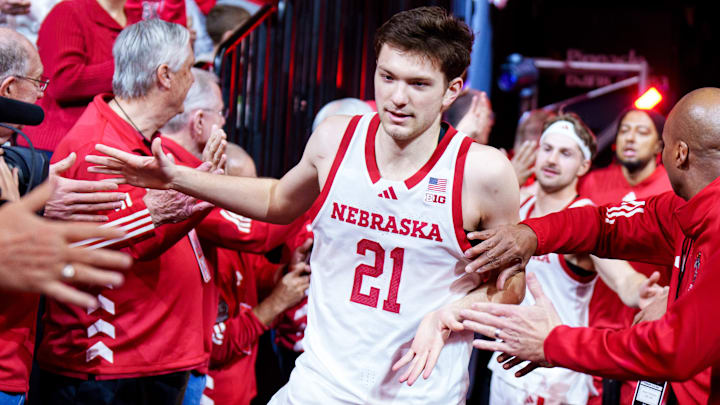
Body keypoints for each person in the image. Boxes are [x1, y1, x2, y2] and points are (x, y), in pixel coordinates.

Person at [88, 6, 526, 403]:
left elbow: (512, 284)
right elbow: (278, 200)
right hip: (319, 385)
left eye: (418, 85)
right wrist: (182, 178)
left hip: (419, 394)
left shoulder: (484, 173)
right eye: (387, 77)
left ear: (453, 90)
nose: (396, 97)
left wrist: (454, 312)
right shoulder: (337, 136)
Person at [460, 87, 720, 404]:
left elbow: (671, 342)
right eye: (547, 148)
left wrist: (555, 342)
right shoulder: (685, 208)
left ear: (680, 153)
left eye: (662, 144)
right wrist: (531, 233)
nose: (552, 159)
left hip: (563, 370)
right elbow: (603, 224)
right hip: (522, 359)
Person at [32, 19, 224, 405]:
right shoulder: (96, 146)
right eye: (190, 67)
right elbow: (113, 244)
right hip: (109, 367)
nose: (195, 77)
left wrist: (201, 195)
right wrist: (197, 199)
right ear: (165, 76)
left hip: (147, 357)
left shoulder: (138, 136)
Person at [487, 113, 664, 405]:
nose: (552, 159)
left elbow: (621, 277)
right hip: (506, 368)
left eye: (565, 153)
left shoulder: (584, 218)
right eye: (547, 148)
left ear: (583, 166)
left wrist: (639, 290)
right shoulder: (521, 202)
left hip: (554, 380)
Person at [575, 107, 672, 404]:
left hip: (649, 330)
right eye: (625, 130)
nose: (631, 138)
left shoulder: (672, 187)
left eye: (642, 132)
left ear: (659, 146)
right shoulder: (592, 183)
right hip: (594, 327)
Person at [22, 0, 133, 153]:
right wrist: (132, 68)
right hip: (57, 145)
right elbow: (62, 82)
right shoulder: (67, 12)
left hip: (111, 142)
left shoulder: (138, 18)